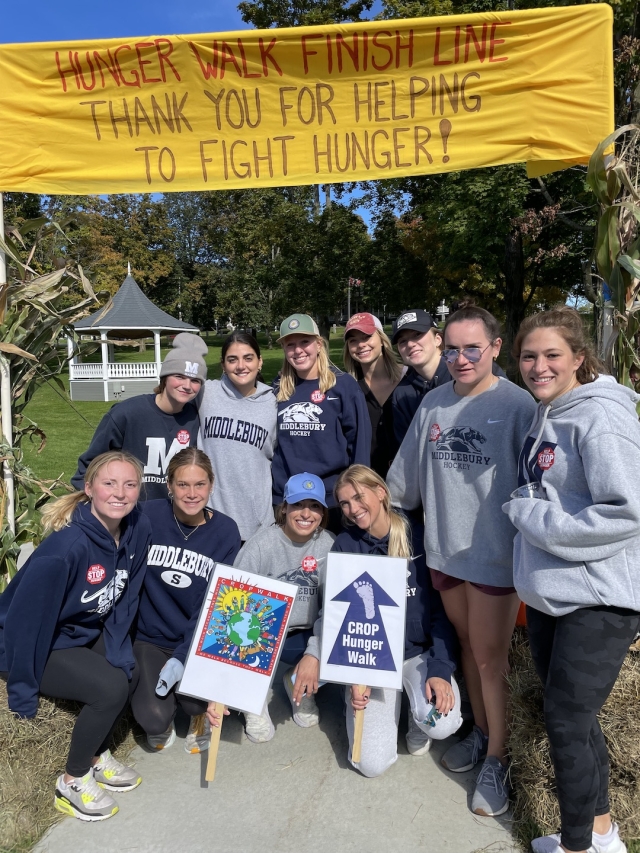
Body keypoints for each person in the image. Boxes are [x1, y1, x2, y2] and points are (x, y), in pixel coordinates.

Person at [387, 302, 536, 816]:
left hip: (494, 555)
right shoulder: (433, 405)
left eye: (472, 347)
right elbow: (402, 481)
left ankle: (498, 758)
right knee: (470, 648)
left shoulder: (519, 406)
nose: (460, 357)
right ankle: (481, 731)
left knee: (493, 659)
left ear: (495, 347)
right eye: (452, 348)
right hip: (445, 554)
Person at [504, 306, 640, 853]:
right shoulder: (551, 410)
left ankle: (578, 846)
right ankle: (603, 831)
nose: (538, 366)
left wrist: (531, 517)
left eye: (551, 355)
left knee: (564, 722)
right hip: (553, 594)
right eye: (529, 356)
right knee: (575, 722)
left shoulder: (602, 418)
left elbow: (627, 510)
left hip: (599, 597)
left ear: (579, 358)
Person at [0, 452, 151, 822]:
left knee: (128, 669)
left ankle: (96, 755)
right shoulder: (65, 550)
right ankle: (71, 780)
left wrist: (117, 647)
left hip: (77, 631)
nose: (120, 493)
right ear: (89, 488)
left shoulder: (136, 527)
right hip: (33, 641)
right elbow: (26, 624)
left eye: (130, 484)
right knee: (109, 688)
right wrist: (22, 694)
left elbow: (125, 595)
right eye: (109, 483)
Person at [291, 464, 462, 777]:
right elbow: (334, 613)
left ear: (381, 492)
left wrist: (439, 669)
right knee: (370, 764)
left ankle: (417, 719)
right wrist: (347, 669)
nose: (353, 509)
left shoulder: (420, 536)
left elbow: (441, 612)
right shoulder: (345, 545)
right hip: (370, 660)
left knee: (443, 722)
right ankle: (381, 709)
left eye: (358, 497)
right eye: (344, 503)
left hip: (416, 654)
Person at [132, 447, 241, 754]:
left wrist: (183, 655)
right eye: (183, 484)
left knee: (195, 703)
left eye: (200, 484)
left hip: (196, 639)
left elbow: (215, 603)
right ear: (169, 485)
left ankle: (196, 717)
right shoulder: (148, 514)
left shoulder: (226, 531)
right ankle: (165, 713)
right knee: (153, 720)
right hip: (149, 638)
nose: (192, 493)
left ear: (211, 485)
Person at [232, 472, 335, 742]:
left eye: (315, 506)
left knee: (342, 640)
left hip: (304, 632)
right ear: (285, 507)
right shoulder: (261, 544)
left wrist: (314, 654)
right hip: (263, 633)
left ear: (323, 512)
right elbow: (235, 602)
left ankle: (298, 684)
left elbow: (336, 608)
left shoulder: (330, 545)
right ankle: (251, 700)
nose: (306, 513)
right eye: (298, 504)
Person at [72, 333, 208, 500]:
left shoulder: (196, 419)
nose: (187, 386)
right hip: (128, 516)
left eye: (195, 380)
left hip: (174, 518)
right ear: (165, 377)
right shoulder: (126, 413)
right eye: (179, 376)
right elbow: (89, 466)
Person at [272, 313, 371, 533]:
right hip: (289, 498)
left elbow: (360, 446)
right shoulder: (279, 389)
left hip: (331, 499)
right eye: (290, 345)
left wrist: (357, 493)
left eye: (304, 342)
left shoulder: (343, 386)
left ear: (318, 344)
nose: (298, 350)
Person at [197, 331, 277, 542]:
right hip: (209, 518)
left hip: (256, 526)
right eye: (232, 360)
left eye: (248, 358)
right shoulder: (205, 394)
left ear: (260, 362)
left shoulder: (274, 403)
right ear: (223, 365)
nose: (241, 366)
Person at [391, 307, 505, 448]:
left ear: (438, 339)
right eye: (402, 341)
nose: (410, 344)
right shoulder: (402, 394)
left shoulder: (470, 371)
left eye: (417, 335)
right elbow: (407, 450)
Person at [343, 312, 405, 478]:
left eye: (366, 337)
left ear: (382, 340)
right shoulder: (347, 388)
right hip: (368, 481)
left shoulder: (409, 378)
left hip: (410, 480)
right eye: (353, 341)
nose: (361, 345)